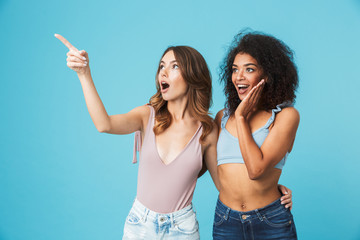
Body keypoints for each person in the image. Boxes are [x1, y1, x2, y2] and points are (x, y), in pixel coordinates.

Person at [54, 33, 292, 239]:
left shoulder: (207, 130)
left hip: (182, 228)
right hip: (140, 224)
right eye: (161, 66)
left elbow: (226, 183)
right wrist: (84, 74)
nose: (164, 72)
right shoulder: (146, 116)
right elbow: (103, 124)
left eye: (174, 66)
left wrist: (269, 190)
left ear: (192, 76)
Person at [213, 31, 299, 239]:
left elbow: (256, 170)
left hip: (270, 220)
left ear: (267, 75)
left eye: (249, 69)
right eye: (235, 70)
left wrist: (241, 117)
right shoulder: (222, 117)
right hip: (226, 221)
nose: (239, 77)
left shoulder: (286, 116)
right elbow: (207, 167)